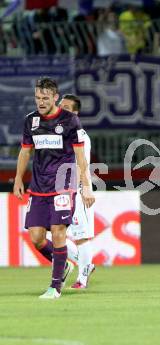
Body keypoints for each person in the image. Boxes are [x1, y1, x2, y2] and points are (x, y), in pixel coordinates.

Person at [13, 77, 95, 299]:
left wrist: (86, 187)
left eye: (45, 98)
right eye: (37, 98)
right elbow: (25, 151)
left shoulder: (69, 121)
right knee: (36, 237)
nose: (40, 102)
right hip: (39, 187)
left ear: (55, 98)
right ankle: (65, 266)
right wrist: (19, 178)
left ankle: (54, 287)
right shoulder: (31, 121)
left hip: (63, 186)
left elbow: (80, 157)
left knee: (59, 232)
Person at [59, 94, 96, 289]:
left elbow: (83, 164)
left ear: (75, 113)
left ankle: (82, 278)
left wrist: (85, 188)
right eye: (60, 105)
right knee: (51, 233)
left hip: (77, 189)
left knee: (81, 235)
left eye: (66, 107)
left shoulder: (79, 134)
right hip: (59, 190)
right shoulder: (58, 132)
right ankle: (86, 263)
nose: (60, 109)